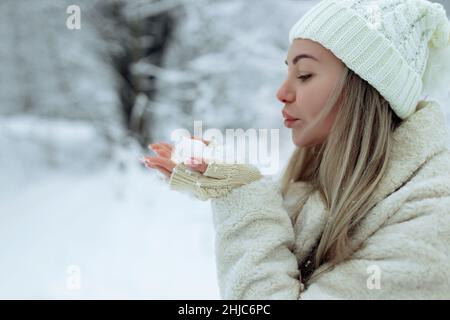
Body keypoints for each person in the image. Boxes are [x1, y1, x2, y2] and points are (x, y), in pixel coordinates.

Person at [143, 0, 450, 299]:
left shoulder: (432, 226)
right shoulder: (323, 187)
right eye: (287, 72)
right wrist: (224, 180)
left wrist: (238, 196)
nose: (282, 93)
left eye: (304, 75)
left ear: (364, 87)